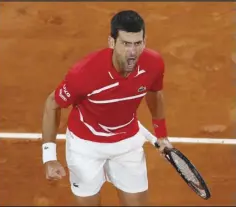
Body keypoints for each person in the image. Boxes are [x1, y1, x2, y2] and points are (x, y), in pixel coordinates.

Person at [42, 10, 173, 206]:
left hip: (127, 143)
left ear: (144, 41)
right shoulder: (84, 73)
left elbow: (155, 93)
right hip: (86, 147)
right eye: (126, 44)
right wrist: (49, 157)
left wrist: (161, 134)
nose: (132, 51)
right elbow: (53, 103)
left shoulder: (153, 63)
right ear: (112, 42)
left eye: (138, 44)